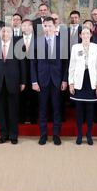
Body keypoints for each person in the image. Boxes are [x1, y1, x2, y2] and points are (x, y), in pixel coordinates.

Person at [31, 17, 68, 146]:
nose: (47, 28)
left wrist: (64, 80)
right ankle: (43, 135)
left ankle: (56, 134)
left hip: (57, 80)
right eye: (45, 26)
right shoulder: (36, 42)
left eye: (49, 26)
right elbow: (33, 63)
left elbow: (65, 63)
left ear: (54, 26)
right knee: (42, 109)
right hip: (42, 80)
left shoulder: (62, 42)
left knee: (57, 108)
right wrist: (34, 81)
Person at [0, 27, 26, 144]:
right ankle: (3, 135)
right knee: (1, 110)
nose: (5, 33)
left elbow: (23, 66)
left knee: (13, 110)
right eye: (3, 32)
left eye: (8, 31)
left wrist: (23, 81)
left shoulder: (18, 46)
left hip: (14, 82)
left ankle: (13, 135)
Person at [68, 27, 97, 145]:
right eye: (83, 33)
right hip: (79, 82)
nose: (86, 35)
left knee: (90, 111)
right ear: (80, 35)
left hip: (91, 82)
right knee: (79, 111)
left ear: (91, 35)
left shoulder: (96, 47)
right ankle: (79, 135)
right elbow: (71, 66)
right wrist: (71, 83)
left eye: (88, 33)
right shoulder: (75, 47)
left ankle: (89, 135)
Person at [19, 19, 38, 124]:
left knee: (34, 97)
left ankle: (33, 118)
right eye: (23, 26)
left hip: (34, 72)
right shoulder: (17, 40)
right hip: (21, 73)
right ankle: (22, 118)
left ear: (32, 27)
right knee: (21, 96)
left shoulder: (38, 39)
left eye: (28, 25)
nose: (25, 27)